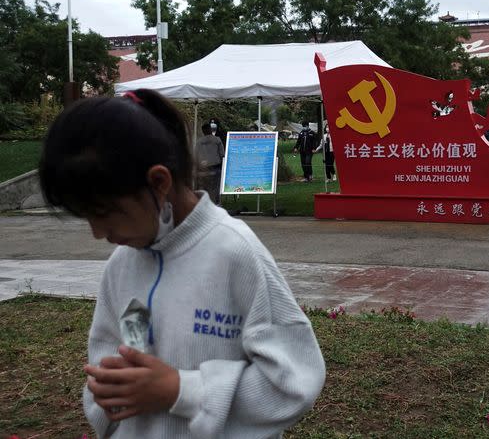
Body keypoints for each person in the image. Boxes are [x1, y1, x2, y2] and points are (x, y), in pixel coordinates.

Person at [39, 89, 325, 439]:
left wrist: (180, 390)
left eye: (105, 213)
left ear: (159, 182)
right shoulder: (121, 266)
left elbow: (293, 382)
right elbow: (106, 361)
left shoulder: (234, 252)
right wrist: (108, 395)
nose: (99, 233)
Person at [195, 123, 224, 204]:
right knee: (215, 188)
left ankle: (204, 203)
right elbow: (222, 154)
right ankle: (215, 203)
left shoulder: (199, 142)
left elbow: (195, 155)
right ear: (210, 130)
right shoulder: (217, 140)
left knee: (204, 188)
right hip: (215, 167)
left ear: (203, 131)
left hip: (203, 169)